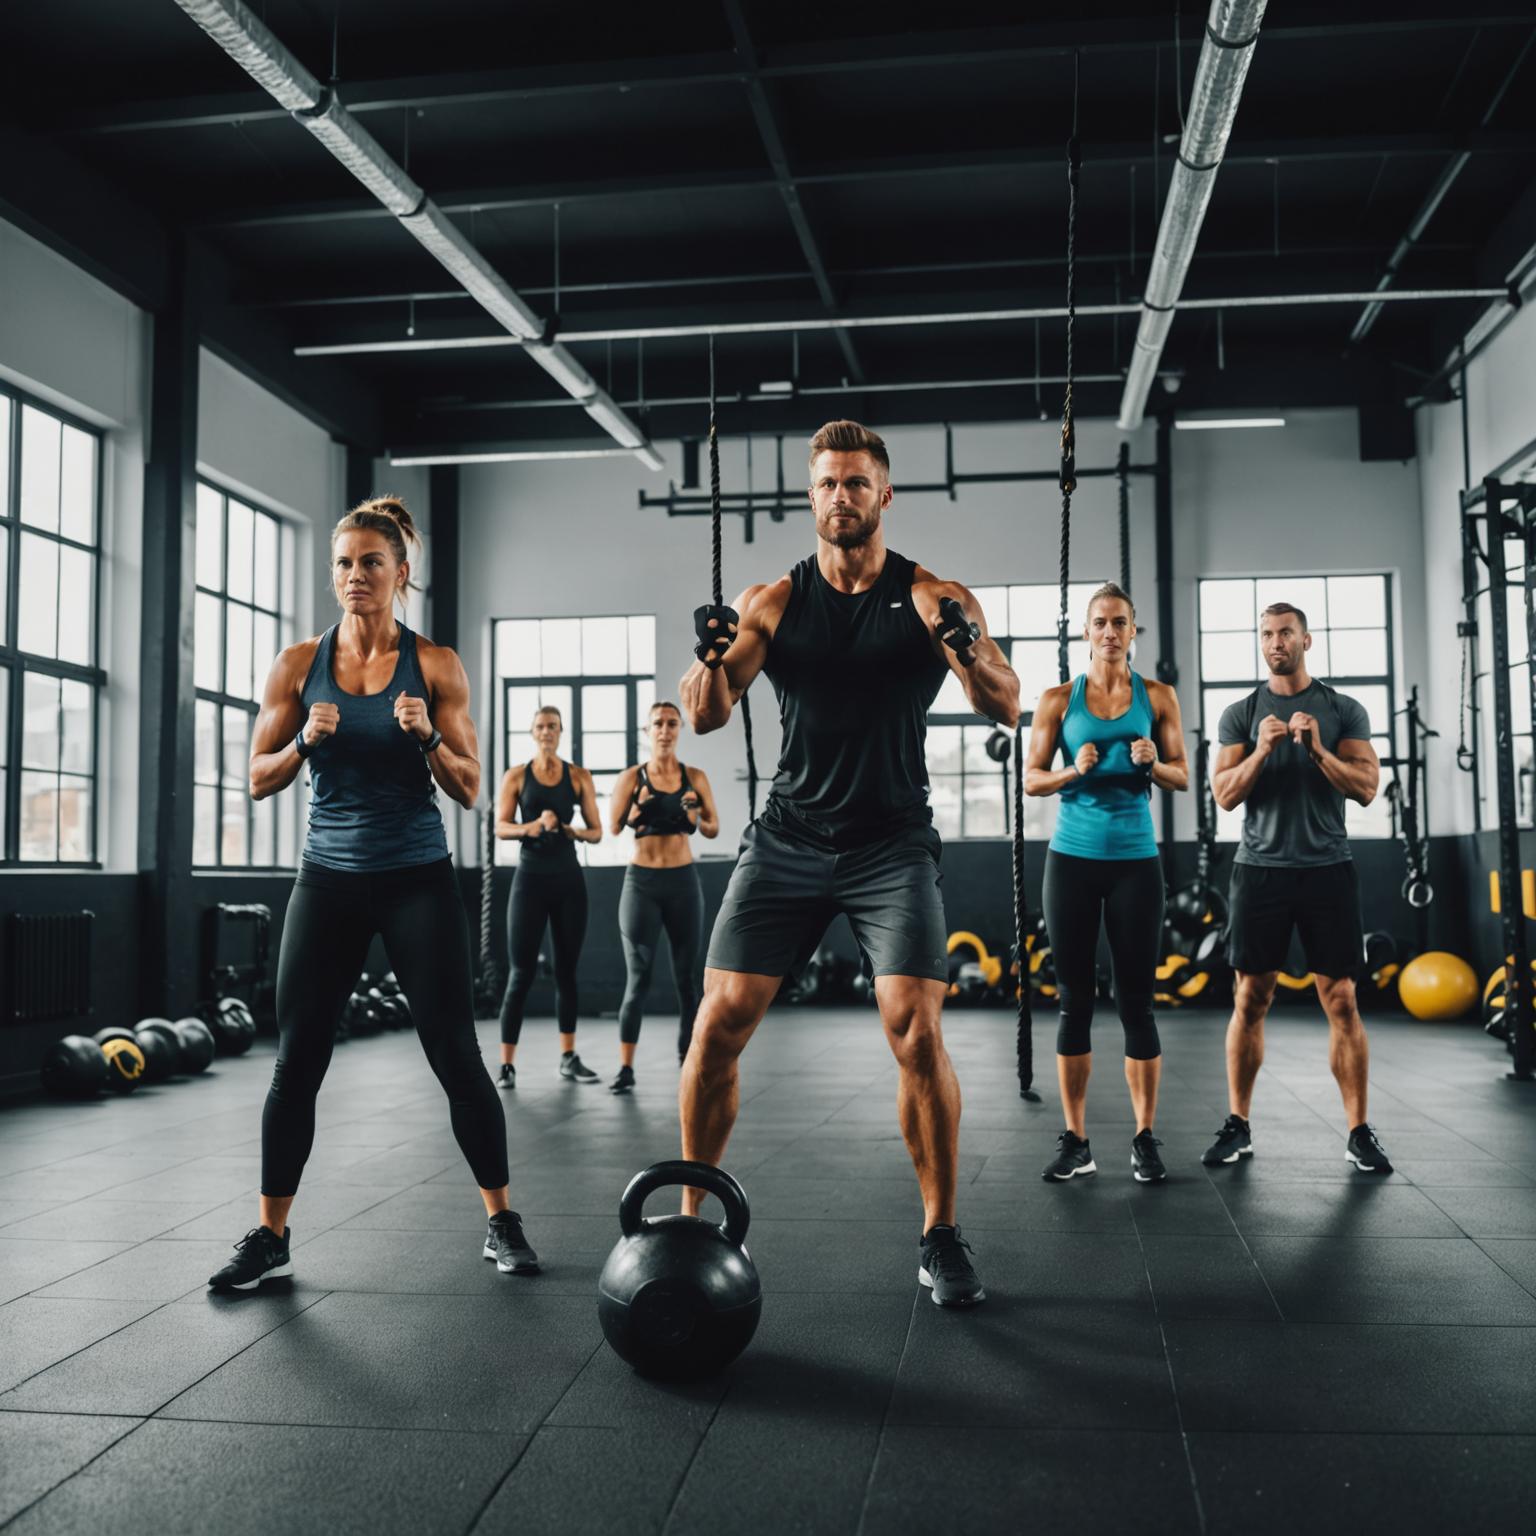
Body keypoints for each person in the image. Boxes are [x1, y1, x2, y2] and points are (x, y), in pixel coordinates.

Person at [678, 419, 1021, 1309]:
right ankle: (688, 1218)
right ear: (811, 494)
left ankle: (940, 1232)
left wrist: (968, 641)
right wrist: (707, 658)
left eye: (857, 483)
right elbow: (709, 714)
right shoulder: (774, 602)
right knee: (717, 1022)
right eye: (827, 483)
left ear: (884, 494)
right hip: (788, 837)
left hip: (890, 844)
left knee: (914, 1027)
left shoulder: (934, 595)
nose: (841, 496)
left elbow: (1007, 707)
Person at [209, 496, 536, 1292]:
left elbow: (469, 790)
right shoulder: (297, 664)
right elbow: (254, 779)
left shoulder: (440, 666)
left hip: (416, 880)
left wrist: (425, 736)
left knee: (457, 1055)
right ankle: (271, 1233)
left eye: (370, 564)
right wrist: (302, 743)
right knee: (297, 1065)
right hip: (327, 879)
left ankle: (501, 1220)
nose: (354, 577)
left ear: (401, 574)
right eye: (344, 564)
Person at [1207, 601, 1391, 1173]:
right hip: (1259, 871)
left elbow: (1365, 787)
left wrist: (1317, 751)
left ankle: (1359, 1131)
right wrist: (1263, 750)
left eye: (1285, 632)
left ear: (1306, 640)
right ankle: (1238, 1124)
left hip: (1326, 868)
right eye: (1265, 634)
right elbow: (1224, 795)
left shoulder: (1343, 709)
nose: (1274, 642)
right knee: (1249, 998)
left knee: (1341, 1000)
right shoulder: (1241, 714)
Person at [1024, 583, 1188, 1183]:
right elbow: (1032, 780)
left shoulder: (1159, 697)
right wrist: (1073, 770)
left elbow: (1183, 776)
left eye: (1120, 622)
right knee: (1074, 1003)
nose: (1111, 632)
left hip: (1136, 862)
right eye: (1100, 623)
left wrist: (1154, 764)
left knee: (1137, 1004)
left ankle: (1145, 1138)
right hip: (1071, 860)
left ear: (1134, 631)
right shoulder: (1056, 700)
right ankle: (1076, 1140)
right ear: (1086, 632)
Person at [607, 702, 720, 1093]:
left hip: (683, 883)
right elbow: (613, 826)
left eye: (673, 724)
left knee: (688, 981)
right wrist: (637, 807)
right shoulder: (630, 778)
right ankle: (625, 1068)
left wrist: (695, 813)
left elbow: (713, 828)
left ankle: (686, 1060)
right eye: (658, 724)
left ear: (680, 730)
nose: (665, 730)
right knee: (637, 980)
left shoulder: (695, 777)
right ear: (647, 731)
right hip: (642, 885)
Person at [493, 707, 602, 1087]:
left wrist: (571, 831)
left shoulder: (578, 776)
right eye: (540, 726)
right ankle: (506, 1064)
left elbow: (597, 831)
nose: (547, 732)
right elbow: (501, 827)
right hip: (530, 881)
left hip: (568, 880)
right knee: (520, 974)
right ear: (532, 731)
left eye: (553, 726)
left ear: (561, 731)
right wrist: (534, 826)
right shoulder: (516, 776)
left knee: (566, 973)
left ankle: (568, 1058)